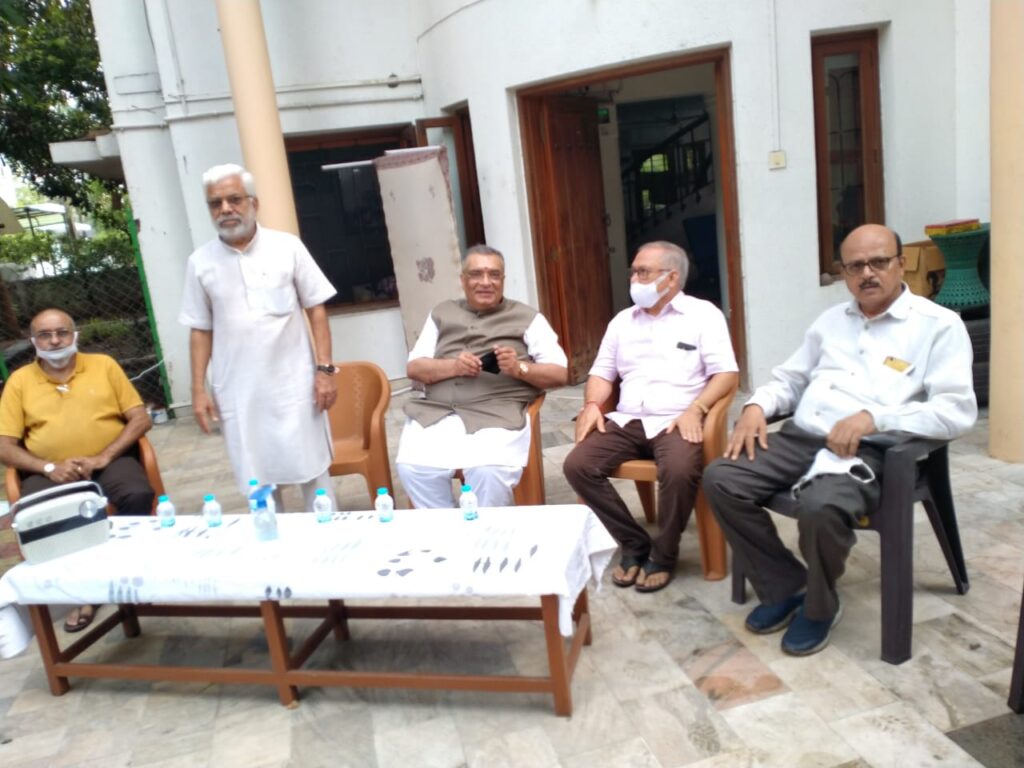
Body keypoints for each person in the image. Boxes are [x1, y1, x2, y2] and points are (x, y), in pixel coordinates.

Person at [703, 224, 977, 656]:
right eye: (855, 266)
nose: (867, 273)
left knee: (820, 508)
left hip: (869, 451)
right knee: (721, 478)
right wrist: (756, 406)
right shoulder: (830, 322)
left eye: (878, 262)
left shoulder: (938, 326)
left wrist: (875, 418)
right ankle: (786, 585)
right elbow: (790, 380)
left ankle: (819, 605)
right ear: (844, 273)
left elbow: (955, 411)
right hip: (801, 437)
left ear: (901, 263)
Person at [563, 241, 739, 593]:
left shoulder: (703, 315)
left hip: (677, 419)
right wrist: (593, 405)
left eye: (642, 272)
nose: (634, 279)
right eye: (633, 272)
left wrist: (697, 409)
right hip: (627, 420)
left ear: (671, 278)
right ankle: (634, 543)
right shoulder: (622, 322)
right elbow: (601, 372)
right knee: (578, 465)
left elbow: (727, 374)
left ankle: (664, 553)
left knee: (679, 469)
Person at [179, 163, 339, 511]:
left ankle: (328, 531)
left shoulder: (287, 247)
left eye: (234, 199)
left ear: (254, 203)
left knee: (313, 471)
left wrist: (325, 370)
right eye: (215, 203)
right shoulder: (200, 263)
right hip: (239, 392)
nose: (225, 209)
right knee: (257, 478)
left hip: (295, 385)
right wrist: (197, 389)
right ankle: (271, 538)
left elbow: (316, 308)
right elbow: (200, 329)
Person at [0, 308, 154, 632]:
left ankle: (126, 573)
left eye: (62, 332)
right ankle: (85, 592)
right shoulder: (19, 381)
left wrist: (103, 456)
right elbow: (4, 445)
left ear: (75, 336)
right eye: (45, 335)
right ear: (33, 341)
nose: (55, 340)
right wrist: (48, 467)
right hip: (49, 472)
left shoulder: (103, 365)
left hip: (108, 461)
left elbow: (140, 418)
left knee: (137, 493)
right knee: (37, 517)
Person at [396, 244, 568, 508]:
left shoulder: (527, 318)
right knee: (414, 467)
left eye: (494, 274)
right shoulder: (442, 313)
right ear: (463, 280)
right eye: (476, 274)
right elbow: (415, 367)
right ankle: (445, 525)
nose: (486, 282)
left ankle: (486, 528)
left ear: (503, 280)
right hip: (438, 412)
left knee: (486, 471)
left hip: (496, 415)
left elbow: (560, 373)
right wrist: (454, 367)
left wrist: (519, 368)